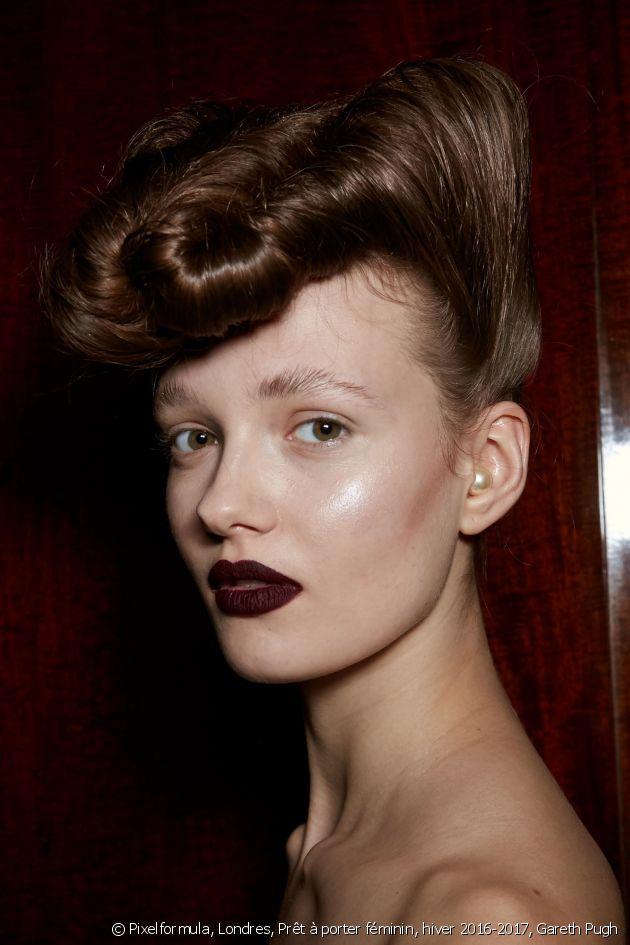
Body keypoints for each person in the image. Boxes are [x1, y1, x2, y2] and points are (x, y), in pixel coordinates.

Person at [42, 57, 624, 941]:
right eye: (193, 437)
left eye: (319, 427)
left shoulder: (485, 918)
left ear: (487, 467)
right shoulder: (328, 852)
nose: (220, 504)